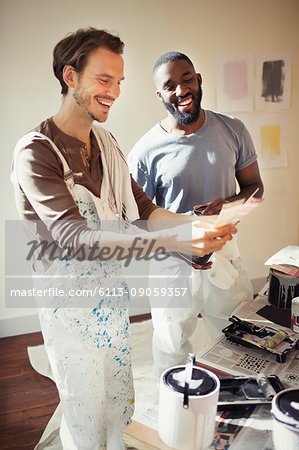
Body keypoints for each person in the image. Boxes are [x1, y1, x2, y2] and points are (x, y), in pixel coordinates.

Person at [11, 32, 236, 450]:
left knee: (118, 405)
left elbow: (146, 209)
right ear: (70, 76)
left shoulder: (107, 144)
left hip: (111, 301)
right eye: (104, 79)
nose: (114, 91)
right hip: (70, 311)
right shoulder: (36, 153)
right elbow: (78, 241)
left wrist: (194, 230)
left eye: (119, 81)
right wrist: (176, 243)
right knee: (84, 416)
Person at [127, 51, 264, 376]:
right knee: (171, 346)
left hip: (224, 252)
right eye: (169, 85)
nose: (180, 90)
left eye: (186, 78)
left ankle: (238, 404)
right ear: (159, 95)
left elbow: (255, 188)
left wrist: (226, 208)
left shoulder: (233, 130)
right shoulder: (146, 151)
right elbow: (136, 220)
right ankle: (174, 412)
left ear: (198, 80)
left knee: (238, 337)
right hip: (171, 261)